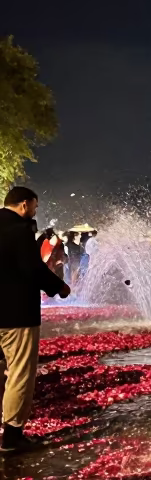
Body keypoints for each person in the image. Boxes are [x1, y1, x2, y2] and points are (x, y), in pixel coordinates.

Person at [0, 186, 71, 453]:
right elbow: (32, 268)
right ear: (24, 204)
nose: (35, 211)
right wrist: (59, 288)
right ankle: (12, 436)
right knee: (19, 371)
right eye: (35, 206)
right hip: (17, 315)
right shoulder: (20, 231)